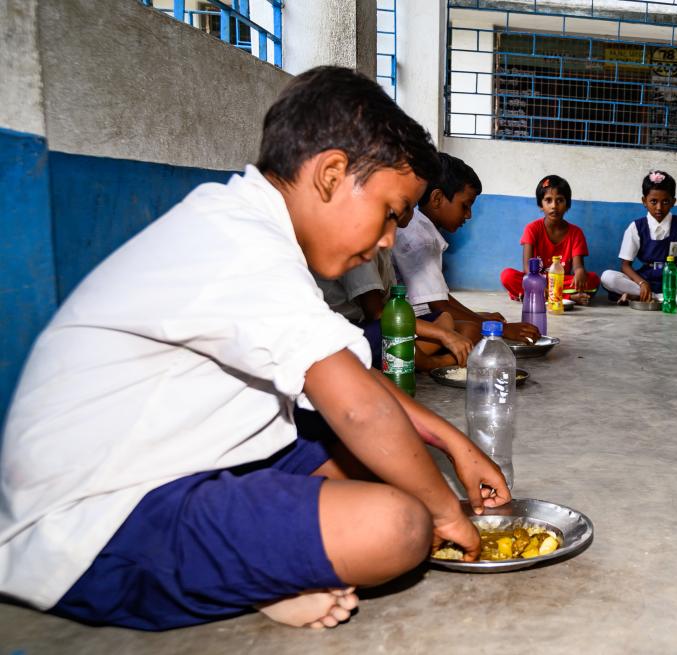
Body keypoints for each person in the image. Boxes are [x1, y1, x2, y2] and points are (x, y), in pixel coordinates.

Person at [0, 67, 512, 632]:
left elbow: (358, 383)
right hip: (92, 519)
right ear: (331, 174)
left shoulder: (247, 226)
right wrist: (446, 512)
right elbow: (359, 408)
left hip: (181, 459)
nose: (391, 237)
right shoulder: (239, 244)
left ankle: (265, 557)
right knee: (401, 527)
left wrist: (452, 442)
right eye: (391, 212)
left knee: (381, 466)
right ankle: (262, 578)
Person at [393, 153, 541, 344]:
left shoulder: (419, 229)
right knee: (471, 331)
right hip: (407, 324)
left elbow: (439, 296)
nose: (469, 215)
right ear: (437, 198)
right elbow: (439, 306)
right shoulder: (422, 240)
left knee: (471, 323)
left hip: (416, 315)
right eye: (465, 206)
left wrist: (479, 317)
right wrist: (500, 329)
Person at [316, 251, 474, 370]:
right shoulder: (359, 247)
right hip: (348, 331)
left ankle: (415, 357)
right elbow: (377, 314)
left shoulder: (384, 246)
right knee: (392, 333)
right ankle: (430, 362)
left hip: (380, 323)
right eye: (406, 209)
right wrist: (444, 335)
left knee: (446, 318)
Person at [599, 170, 677, 306]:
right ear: (644, 201)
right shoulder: (636, 227)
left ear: (673, 202)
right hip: (646, 277)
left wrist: (672, 287)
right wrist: (642, 283)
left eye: (665, 202)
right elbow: (625, 266)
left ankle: (653, 299)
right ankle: (654, 296)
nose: (659, 207)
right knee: (607, 277)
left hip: (675, 278)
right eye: (653, 201)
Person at [498, 175, 600, 304]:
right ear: (541, 205)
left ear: (567, 205)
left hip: (560, 280)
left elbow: (578, 265)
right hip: (536, 279)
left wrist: (580, 272)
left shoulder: (576, 233)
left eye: (560, 200)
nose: (554, 206)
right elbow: (527, 268)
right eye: (548, 200)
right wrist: (538, 285)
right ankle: (567, 298)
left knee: (593, 279)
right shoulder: (532, 228)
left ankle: (535, 295)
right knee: (507, 276)